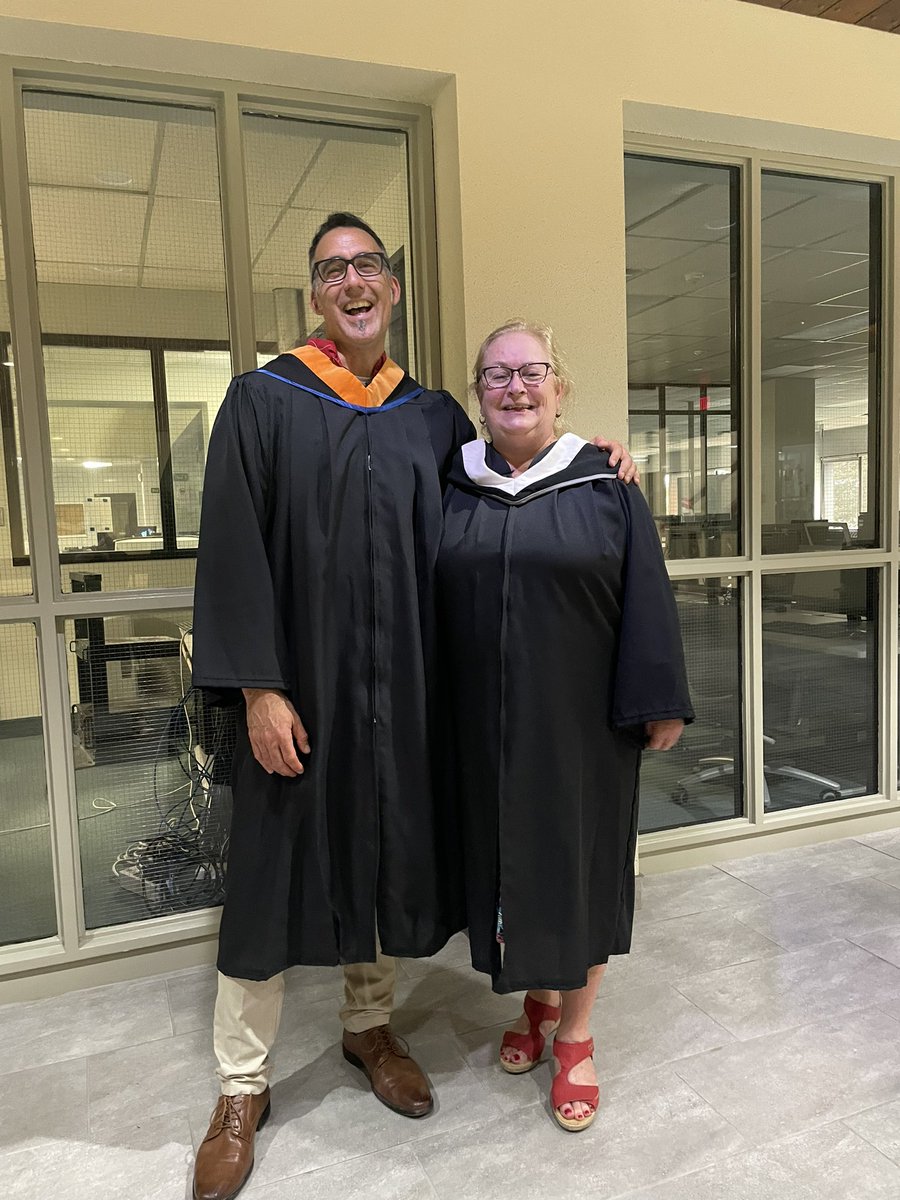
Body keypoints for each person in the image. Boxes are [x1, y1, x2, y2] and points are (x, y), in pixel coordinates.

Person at [190, 217, 636, 1200]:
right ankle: (240, 1085)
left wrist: (598, 455)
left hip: (403, 696)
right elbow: (229, 554)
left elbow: (507, 490)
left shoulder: (432, 417)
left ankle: (366, 1026)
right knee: (270, 883)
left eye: (368, 267)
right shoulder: (261, 402)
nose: (353, 281)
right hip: (298, 696)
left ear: (392, 290)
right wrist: (258, 688)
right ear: (316, 296)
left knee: (384, 857)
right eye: (332, 270)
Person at [437, 319, 693, 1133]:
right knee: (512, 865)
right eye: (496, 375)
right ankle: (538, 1003)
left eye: (531, 372)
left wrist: (657, 699)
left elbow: (646, 596)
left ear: (560, 387)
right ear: (478, 395)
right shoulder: (453, 482)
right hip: (484, 723)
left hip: (583, 726)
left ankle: (576, 1032)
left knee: (578, 868)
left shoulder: (606, 483)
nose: (515, 387)